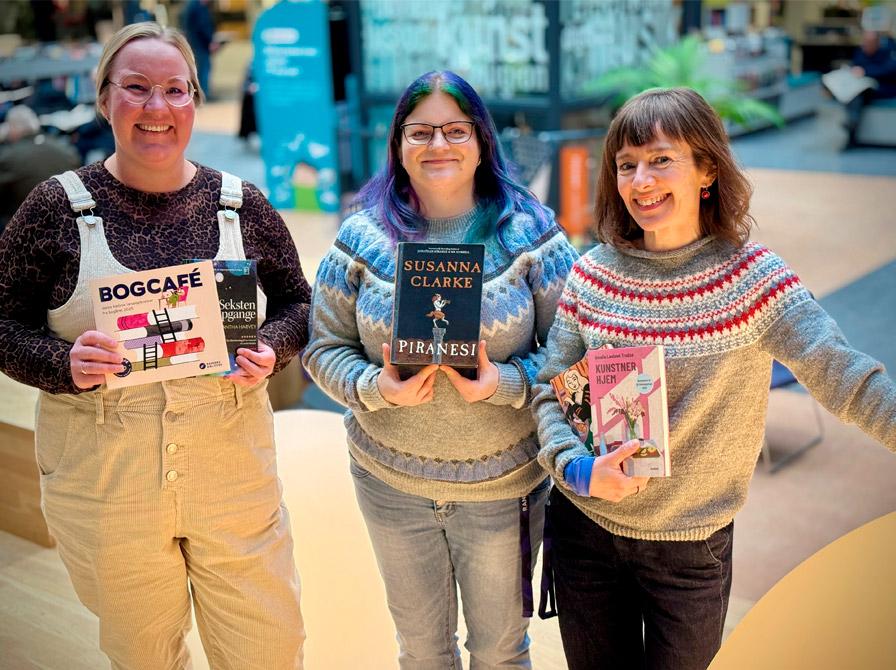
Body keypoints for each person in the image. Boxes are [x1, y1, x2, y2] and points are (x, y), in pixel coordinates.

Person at [532, 87, 896, 670]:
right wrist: (577, 467)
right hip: (586, 534)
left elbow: (843, 375)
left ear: (707, 170)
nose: (640, 180)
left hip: (690, 552)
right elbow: (549, 390)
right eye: (626, 165)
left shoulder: (755, 280)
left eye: (661, 159)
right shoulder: (592, 275)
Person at [0, 23, 307, 669]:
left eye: (175, 89)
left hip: (232, 475)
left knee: (268, 648)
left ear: (195, 99)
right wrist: (62, 363)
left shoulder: (240, 205)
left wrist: (270, 349)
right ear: (104, 98)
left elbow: (297, 303)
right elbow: (3, 322)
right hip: (105, 481)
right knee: (144, 654)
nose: (157, 108)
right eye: (136, 88)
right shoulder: (53, 209)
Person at [302, 70, 578, 669]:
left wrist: (504, 383)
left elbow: (571, 358)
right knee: (423, 652)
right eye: (419, 131)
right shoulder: (361, 237)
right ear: (398, 144)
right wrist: (373, 387)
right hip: (391, 483)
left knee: (502, 652)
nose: (438, 145)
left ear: (481, 139)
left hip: (502, 489)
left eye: (455, 129)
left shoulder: (532, 232)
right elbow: (321, 349)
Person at [0, 104, 80, 232]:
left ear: (12, 129)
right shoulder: (65, 149)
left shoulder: (8, 157)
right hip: (69, 225)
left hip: (26, 230)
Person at [843, 31, 896, 146]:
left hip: (883, 88)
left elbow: (889, 70)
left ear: (877, 43)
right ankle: (851, 128)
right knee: (851, 93)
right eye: (864, 42)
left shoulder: (888, 53)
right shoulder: (860, 52)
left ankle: (852, 124)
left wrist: (865, 72)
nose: (865, 45)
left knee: (857, 94)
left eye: (869, 43)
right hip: (862, 86)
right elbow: (855, 66)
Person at [181, 0, 217, 100]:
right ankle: (203, 95)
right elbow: (202, 26)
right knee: (203, 69)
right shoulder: (197, 7)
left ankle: (203, 93)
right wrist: (210, 41)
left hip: (198, 43)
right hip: (199, 44)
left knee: (202, 69)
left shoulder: (195, 6)